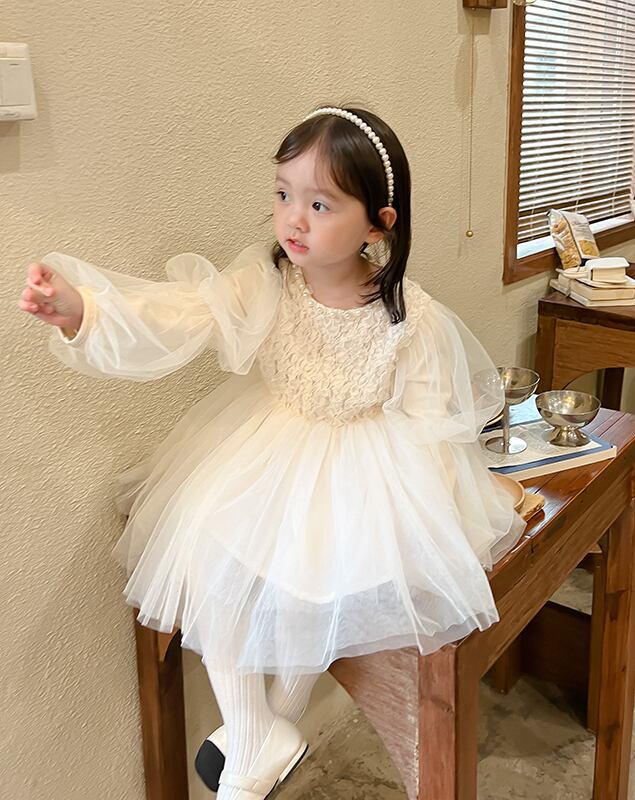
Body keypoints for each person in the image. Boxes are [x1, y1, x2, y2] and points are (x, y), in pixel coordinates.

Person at [18, 105, 527, 800]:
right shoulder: (267, 279)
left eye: (320, 204)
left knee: (314, 586)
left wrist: (431, 523)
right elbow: (183, 311)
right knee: (210, 559)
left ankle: (263, 732)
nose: (294, 219)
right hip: (267, 446)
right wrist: (86, 312)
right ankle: (257, 731)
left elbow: (433, 423)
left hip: (366, 468)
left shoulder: (411, 316)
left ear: (379, 223)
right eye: (284, 194)